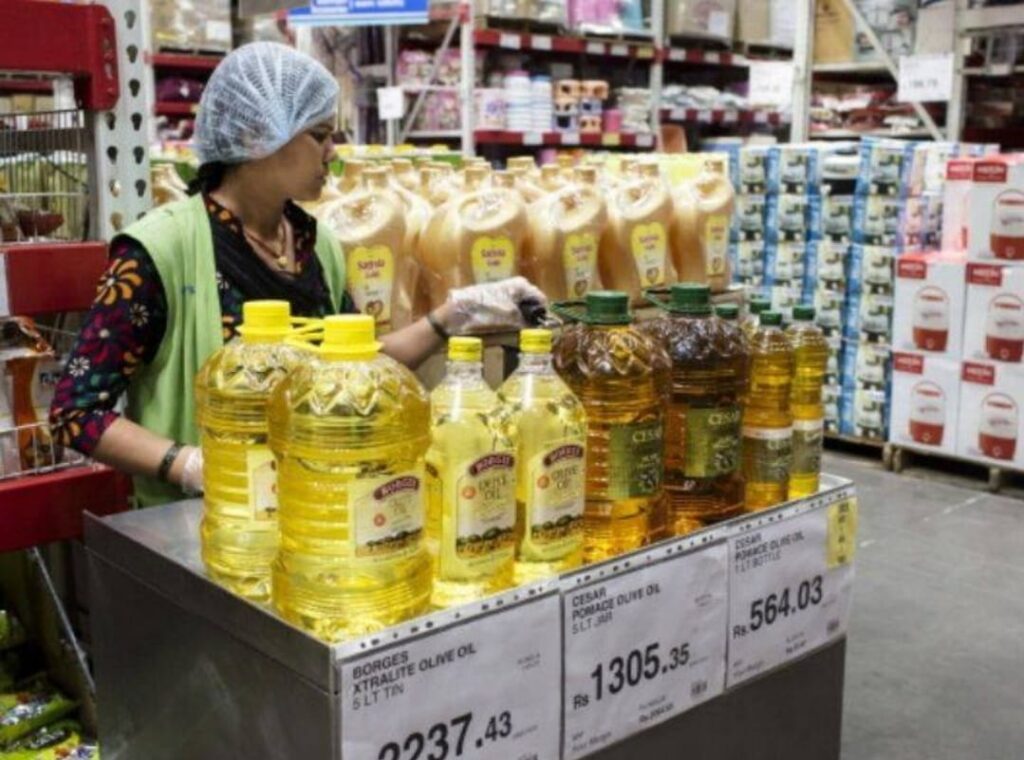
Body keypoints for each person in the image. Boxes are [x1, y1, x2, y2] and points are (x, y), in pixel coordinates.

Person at [49, 42, 544, 507]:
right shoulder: (160, 251)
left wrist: (455, 314)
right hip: (207, 523)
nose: (334, 153)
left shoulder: (316, 244)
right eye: (320, 136)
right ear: (255, 134)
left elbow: (360, 362)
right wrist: (190, 465)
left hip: (316, 515)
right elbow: (76, 412)